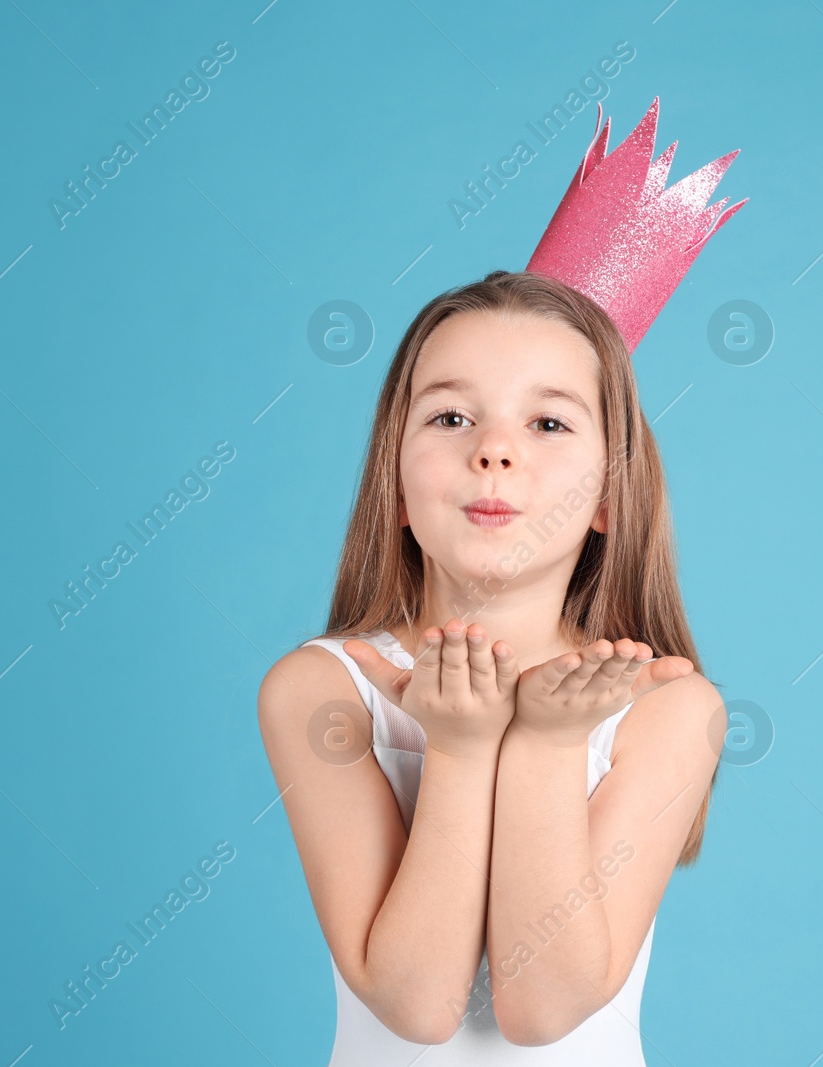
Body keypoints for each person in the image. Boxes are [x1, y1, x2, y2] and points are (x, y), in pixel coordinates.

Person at [257, 97, 745, 1064]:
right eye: (450, 418)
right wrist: (461, 746)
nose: (494, 454)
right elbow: (417, 1001)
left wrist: (543, 748)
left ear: (610, 497)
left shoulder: (666, 709)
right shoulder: (322, 691)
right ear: (395, 481)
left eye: (550, 424)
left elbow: (543, 1006)